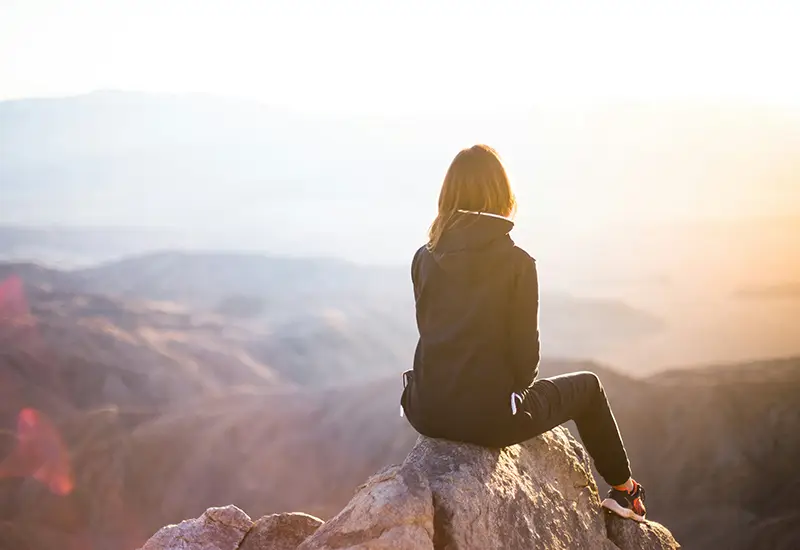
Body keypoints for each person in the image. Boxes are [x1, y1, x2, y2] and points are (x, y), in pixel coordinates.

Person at [400, 144, 647, 522]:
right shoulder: (517, 263)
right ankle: (625, 492)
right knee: (589, 388)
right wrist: (508, 395)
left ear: (447, 195)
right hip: (490, 421)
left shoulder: (423, 256)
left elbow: (431, 331)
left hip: (425, 410)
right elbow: (526, 363)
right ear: (502, 195)